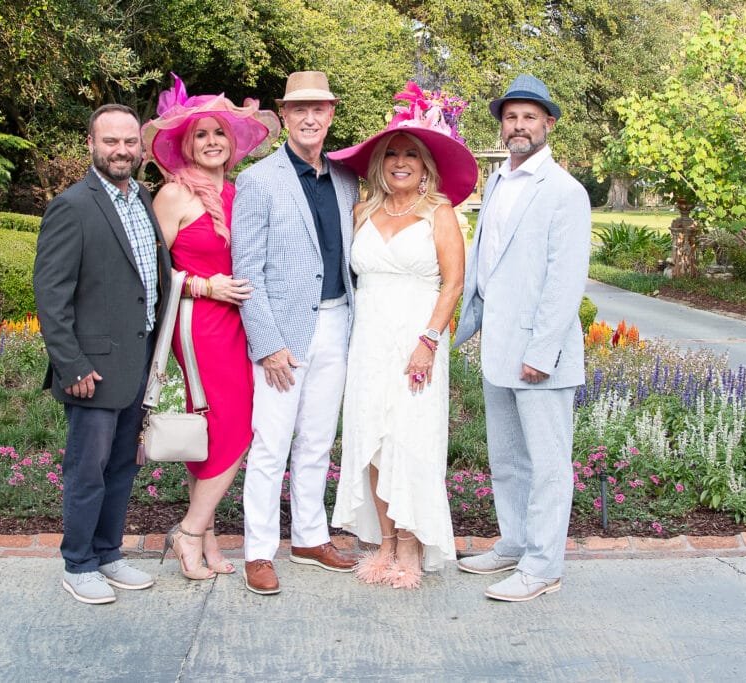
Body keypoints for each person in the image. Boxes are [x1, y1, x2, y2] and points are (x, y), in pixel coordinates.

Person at [329, 82, 477, 589]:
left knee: (411, 442)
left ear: (425, 165)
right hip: (368, 343)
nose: (399, 162)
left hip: (418, 343)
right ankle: (385, 543)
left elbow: (453, 283)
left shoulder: (439, 213)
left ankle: (412, 546)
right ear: (379, 164)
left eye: (410, 154)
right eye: (391, 153)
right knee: (372, 442)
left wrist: (429, 341)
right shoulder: (362, 212)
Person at [453, 74, 591, 602]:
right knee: (508, 459)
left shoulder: (565, 191)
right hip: (498, 349)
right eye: (511, 117)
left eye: (529, 117)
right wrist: (460, 330)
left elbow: (564, 281)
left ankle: (543, 567)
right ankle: (514, 543)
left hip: (540, 355)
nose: (519, 125)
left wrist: (542, 352)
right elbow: (486, 265)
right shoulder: (496, 182)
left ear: (547, 123)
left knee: (548, 466)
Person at [142, 75, 280, 580]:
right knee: (235, 425)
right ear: (186, 145)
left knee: (214, 426)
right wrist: (204, 286)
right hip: (198, 322)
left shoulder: (239, 193)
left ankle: (207, 542)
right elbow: (152, 271)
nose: (211, 142)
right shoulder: (174, 195)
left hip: (239, 321)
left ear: (232, 141)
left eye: (219, 132)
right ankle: (189, 530)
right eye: (200, 134)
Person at [34, 104, 173, 605]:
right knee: (87, 470)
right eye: (110, 141)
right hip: (90, 369)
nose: (121, 150)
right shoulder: (72, 206)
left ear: (140, 147)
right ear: (91, 144)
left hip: (137, 360)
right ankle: (79, 563)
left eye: (130, 142)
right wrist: (71, 363)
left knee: (120, 467)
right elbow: (51, 294)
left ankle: (108, 553)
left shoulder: (144, 199)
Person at [231, 71, 360, 595]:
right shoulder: (258, 181)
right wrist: (268, 346)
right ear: (284, 116)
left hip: (337, 323)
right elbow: (247, 270)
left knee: (317, 442)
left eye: (318, 110)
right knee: (270, 445)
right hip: (283, 335)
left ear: (330, 115)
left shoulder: (347, 179)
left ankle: (310, 538)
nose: (310, 119)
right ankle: (259, 551)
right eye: (299, 110)